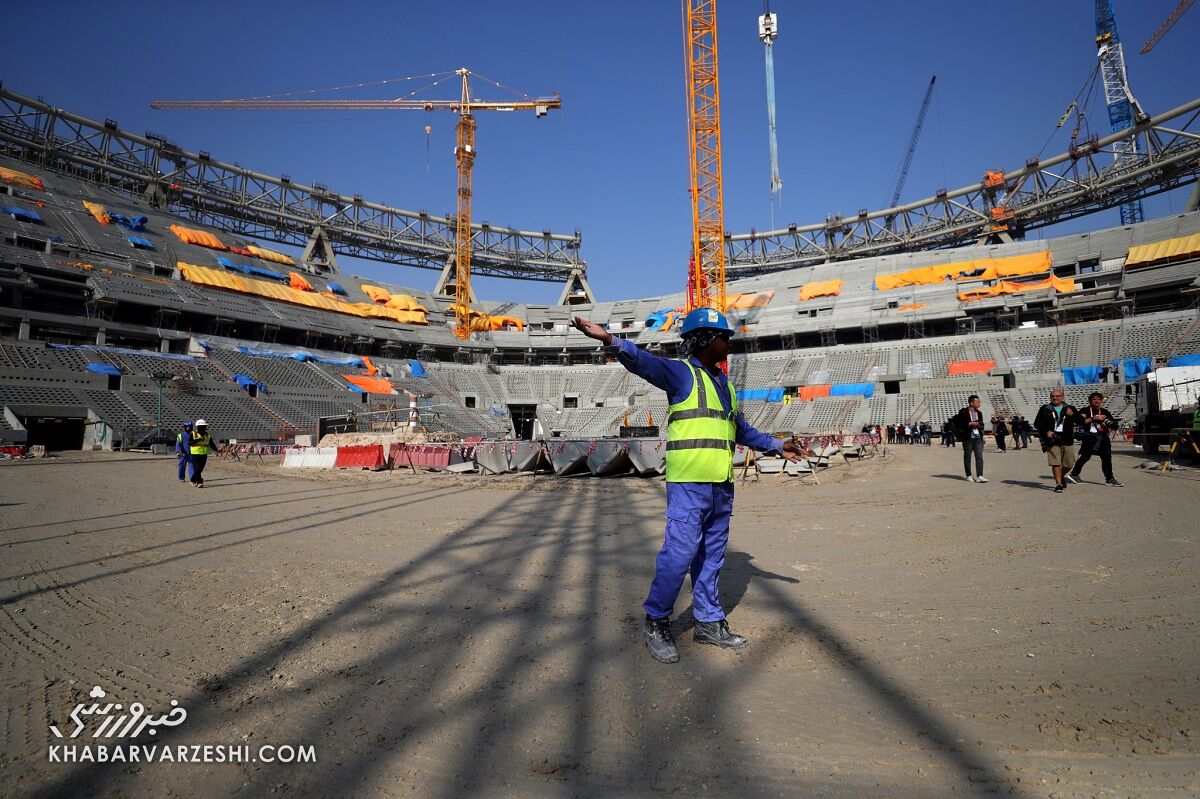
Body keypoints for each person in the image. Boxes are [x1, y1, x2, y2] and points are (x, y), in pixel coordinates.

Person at [572, 309, 802, 664]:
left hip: (721, 486)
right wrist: (611, 341)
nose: (729, 342)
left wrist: (777, 445)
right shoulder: (682, 374)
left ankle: (708, 622)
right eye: (724, 336)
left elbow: (741, 431)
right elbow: (645, 363)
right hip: (689, 484)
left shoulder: (726, 387)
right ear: (707, 339)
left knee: (711, 557)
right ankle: (656, 620)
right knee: (679, 555)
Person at [1067, 392, 1123, 487]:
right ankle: (1074, 474)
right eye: (1094, 399)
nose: (1097, 401)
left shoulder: (1105, 411)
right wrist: (1093, 418)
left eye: (1099, 399)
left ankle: (1109, 479)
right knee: (1085, 457)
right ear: (1090, 401)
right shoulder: (1085, 410)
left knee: (1106, 458)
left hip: (1103, 437)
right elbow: (1080, 422)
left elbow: (1113, 425)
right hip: (1089, 437)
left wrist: (1107, 423)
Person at [1034, 389, 1078, 493]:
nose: (1055, 398)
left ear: (1062, 397)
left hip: (1067, 438)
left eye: (1058, 396)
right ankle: (1058, 484)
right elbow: (1037, 423)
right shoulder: (1045, 409)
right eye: (1053, 396)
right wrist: (1046, 430)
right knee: (1055, 463)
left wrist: (1072, 414)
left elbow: (1080, 421)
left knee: (1069, 464)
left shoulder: (1070, 408)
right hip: (1052, 439)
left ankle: (1061, 476)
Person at [954, 395, 988, 482]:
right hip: (967, 437)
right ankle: (968, 475)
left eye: (979, 401)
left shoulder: (979, 413)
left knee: (979, 456)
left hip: (978, 437)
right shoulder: (963, 412)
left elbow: (982, 424)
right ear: (971, 403)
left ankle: (980, 476)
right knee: (967, 456)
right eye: (977, 402)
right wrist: (970, 424)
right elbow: (959, 424)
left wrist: (979, 425)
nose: (979, 403)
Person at [188, 419, 214, 488]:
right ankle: (200, 482)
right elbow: (190, 443)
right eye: (203, 426)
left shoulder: (207, 435)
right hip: (195, 454)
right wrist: (199, 439)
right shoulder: (193, 434)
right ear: (198, 427)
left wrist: (217, 450)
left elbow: (211, 444)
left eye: (205, 426)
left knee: (200, 469)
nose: (204, 428)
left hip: (204, 454)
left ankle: (192, 480)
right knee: (197, 468)